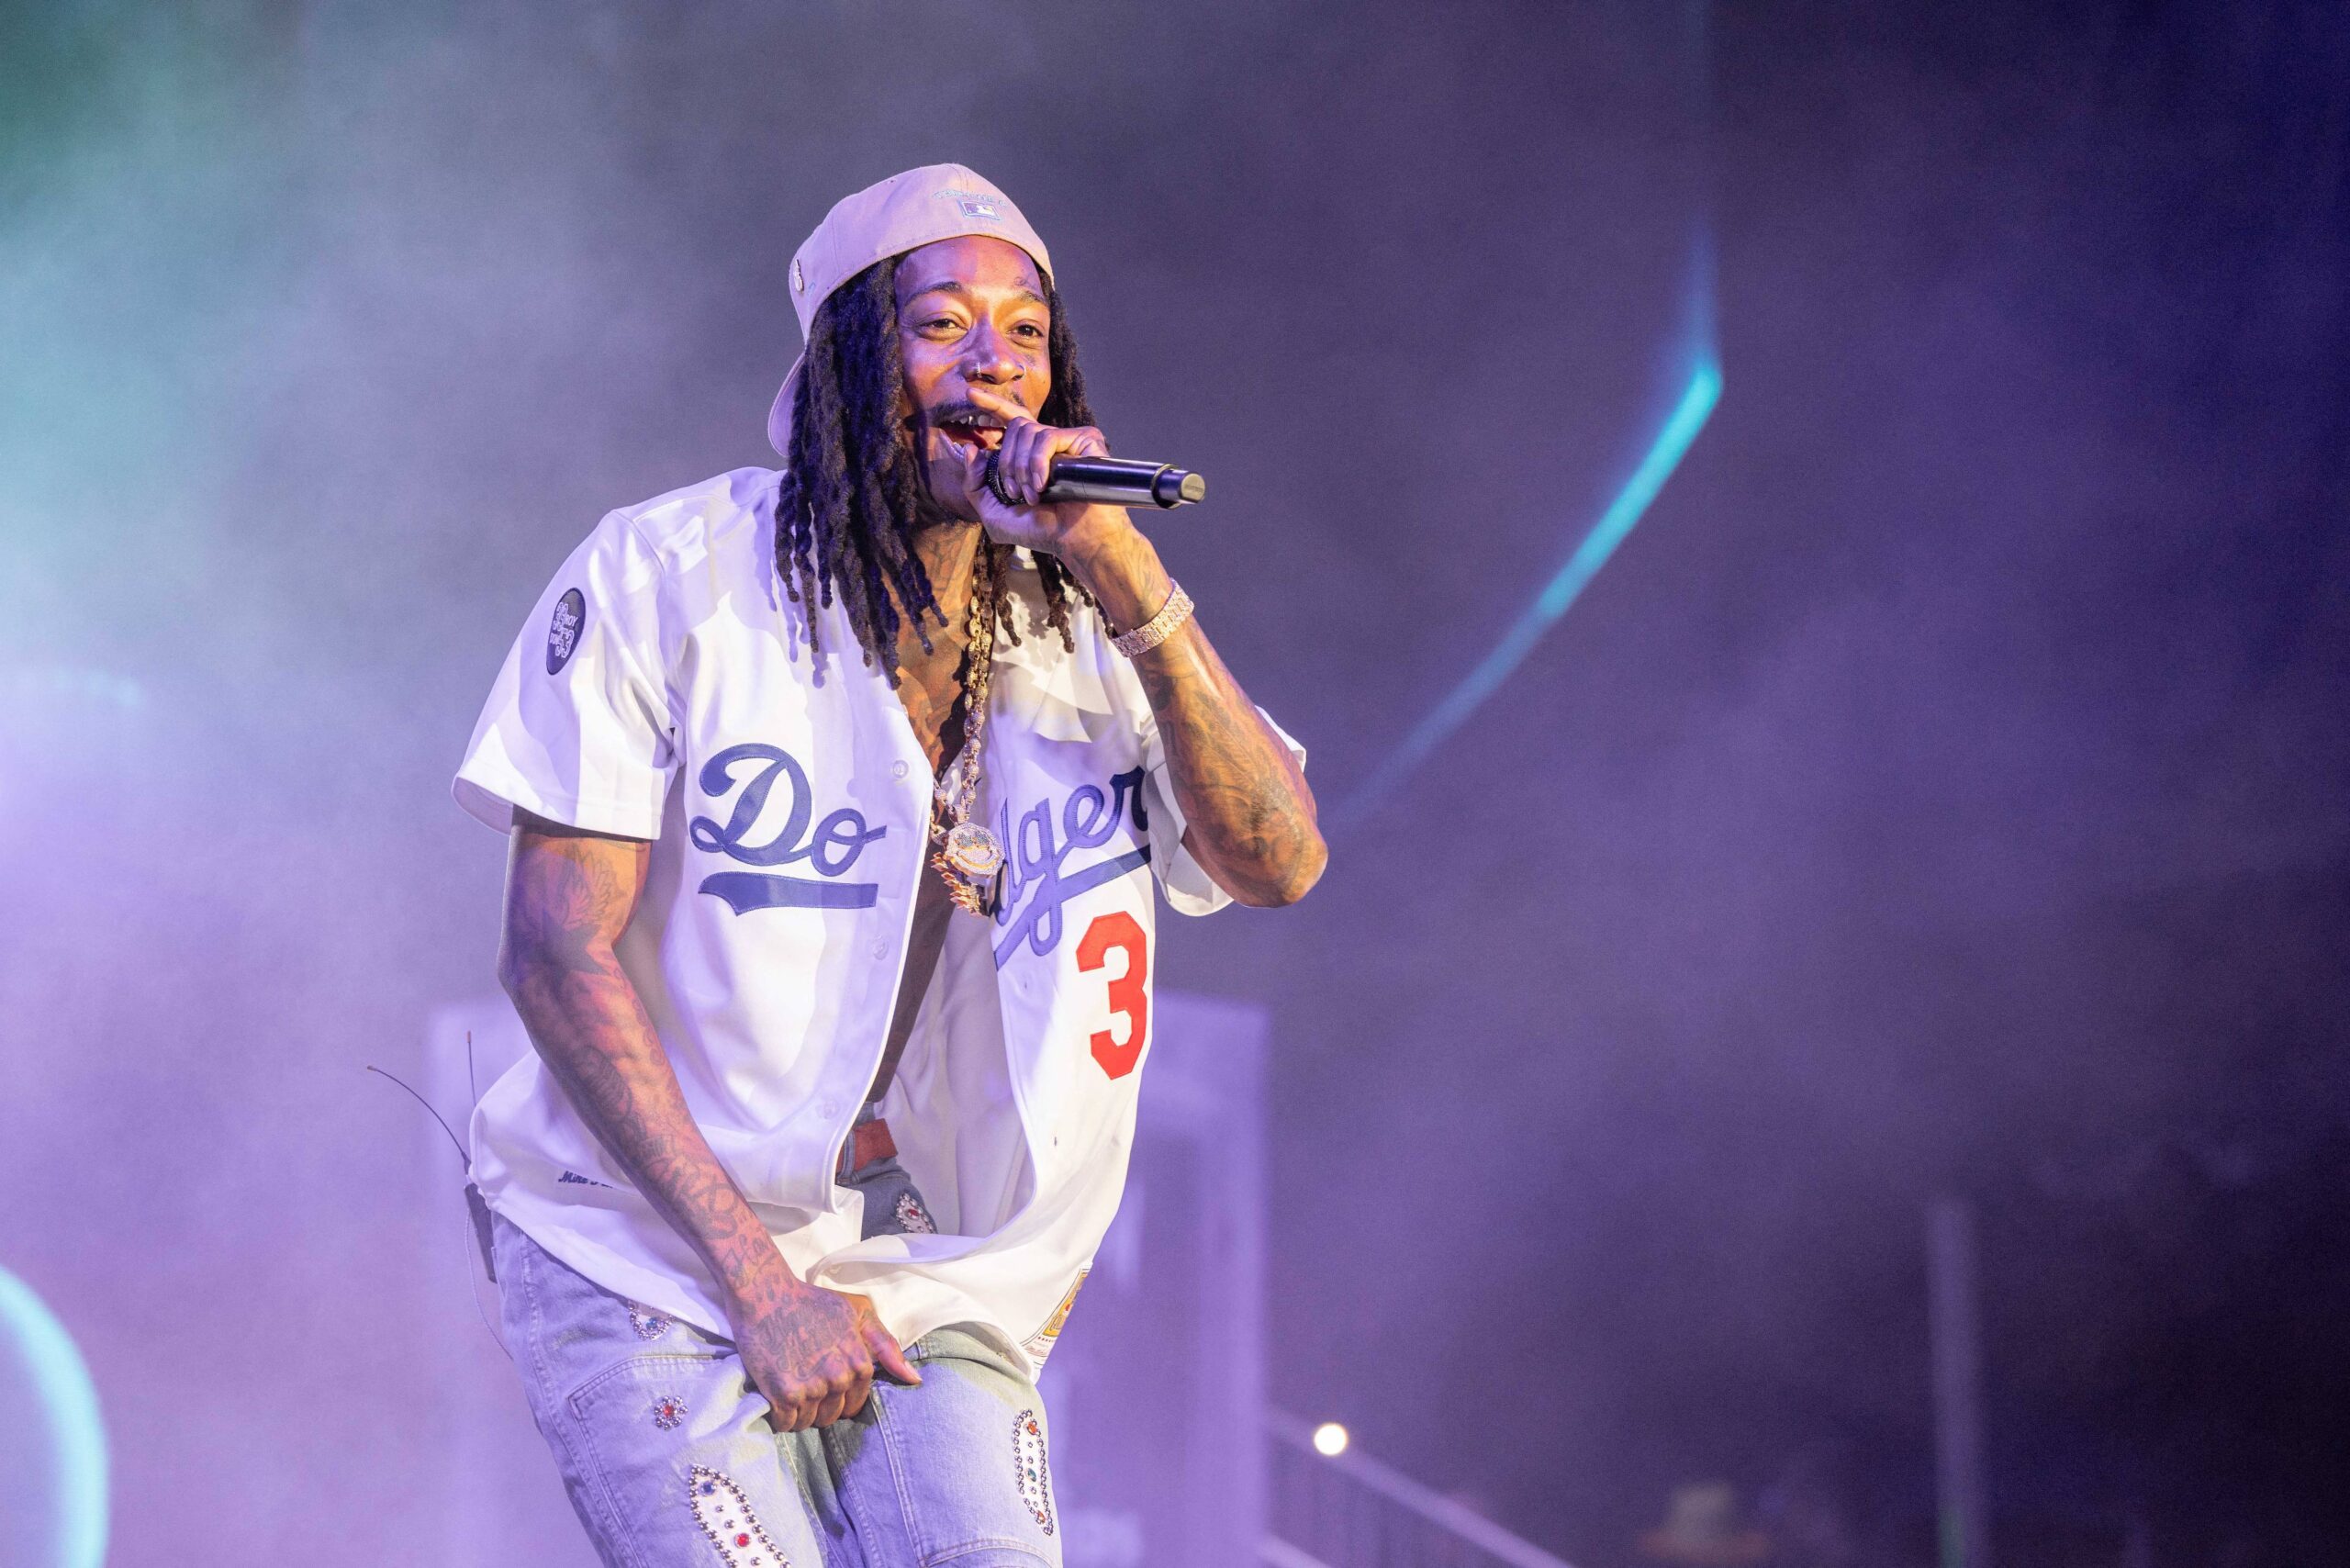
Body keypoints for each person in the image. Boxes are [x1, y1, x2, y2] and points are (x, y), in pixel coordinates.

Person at [451, 162, 1324, 1567]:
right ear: (856, 363)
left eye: (1026, 331)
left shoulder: (1081, 617)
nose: (994, 363)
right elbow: (555, 951)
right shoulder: (669, 576)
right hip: (647, 1244)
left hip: (929, 1261)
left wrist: (1126, 572)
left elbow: (1279, 860)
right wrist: (757, 1283)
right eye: (941, 325)